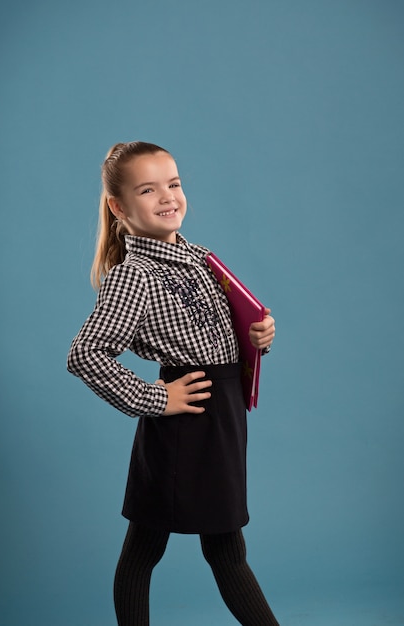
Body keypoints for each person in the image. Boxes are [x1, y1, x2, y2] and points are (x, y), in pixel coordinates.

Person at [67, 141, 279, 626]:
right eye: (148, 189)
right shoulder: (133, 276)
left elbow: (228, 333)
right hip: (183, 428)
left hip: (223, 420)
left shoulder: (204, 259)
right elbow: (86, 354)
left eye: (174, 184)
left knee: (205, 546)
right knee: (173, 549)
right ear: (120, 207)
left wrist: (259, 335)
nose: (168, 197)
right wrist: (156, 397)